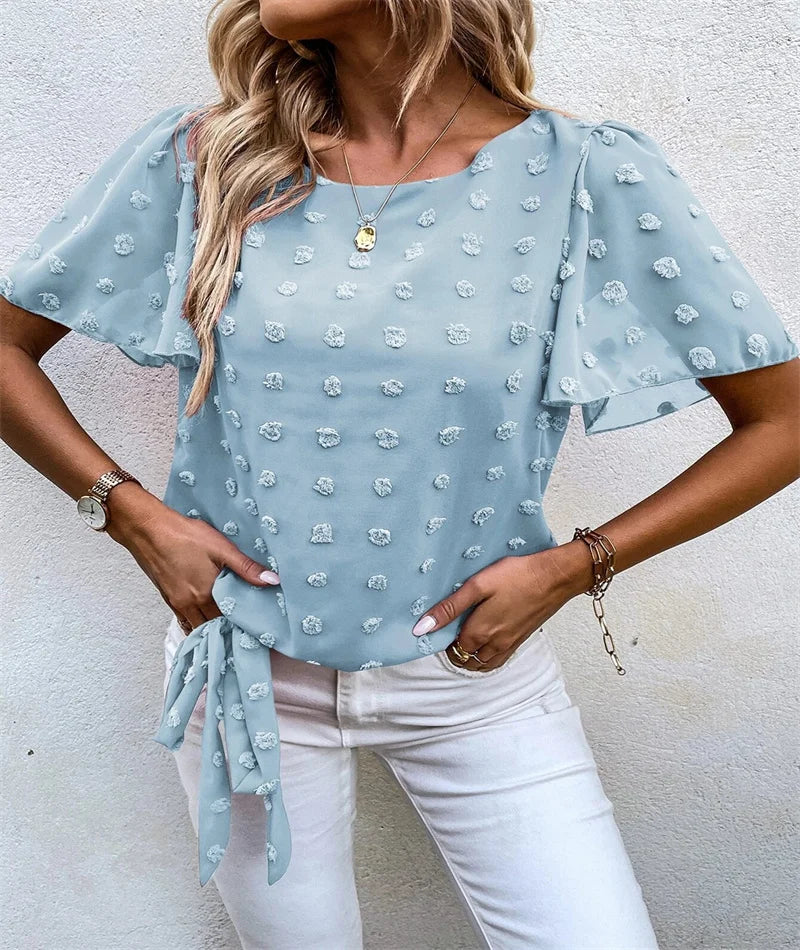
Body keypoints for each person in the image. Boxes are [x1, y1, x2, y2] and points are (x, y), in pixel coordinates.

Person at [1, 1, 798, 948]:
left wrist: (574, 565)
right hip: (245, 676)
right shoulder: (205, 158)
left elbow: (781, 420)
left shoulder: (583, 174)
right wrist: (132, 515)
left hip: (474, 681)